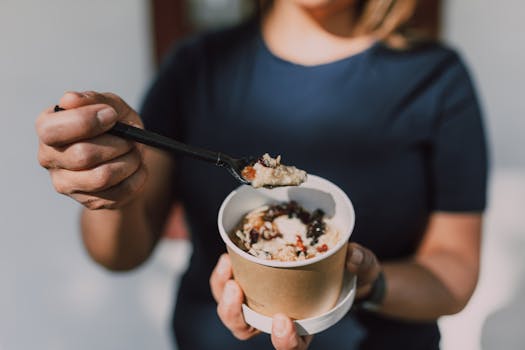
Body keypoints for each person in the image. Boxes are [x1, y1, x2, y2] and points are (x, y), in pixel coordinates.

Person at [35, 0, 488, 349]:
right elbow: (121, 253)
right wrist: (111, 186)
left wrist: (362, 283)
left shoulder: (436, 78)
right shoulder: (196, 67)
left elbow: (454, 273)